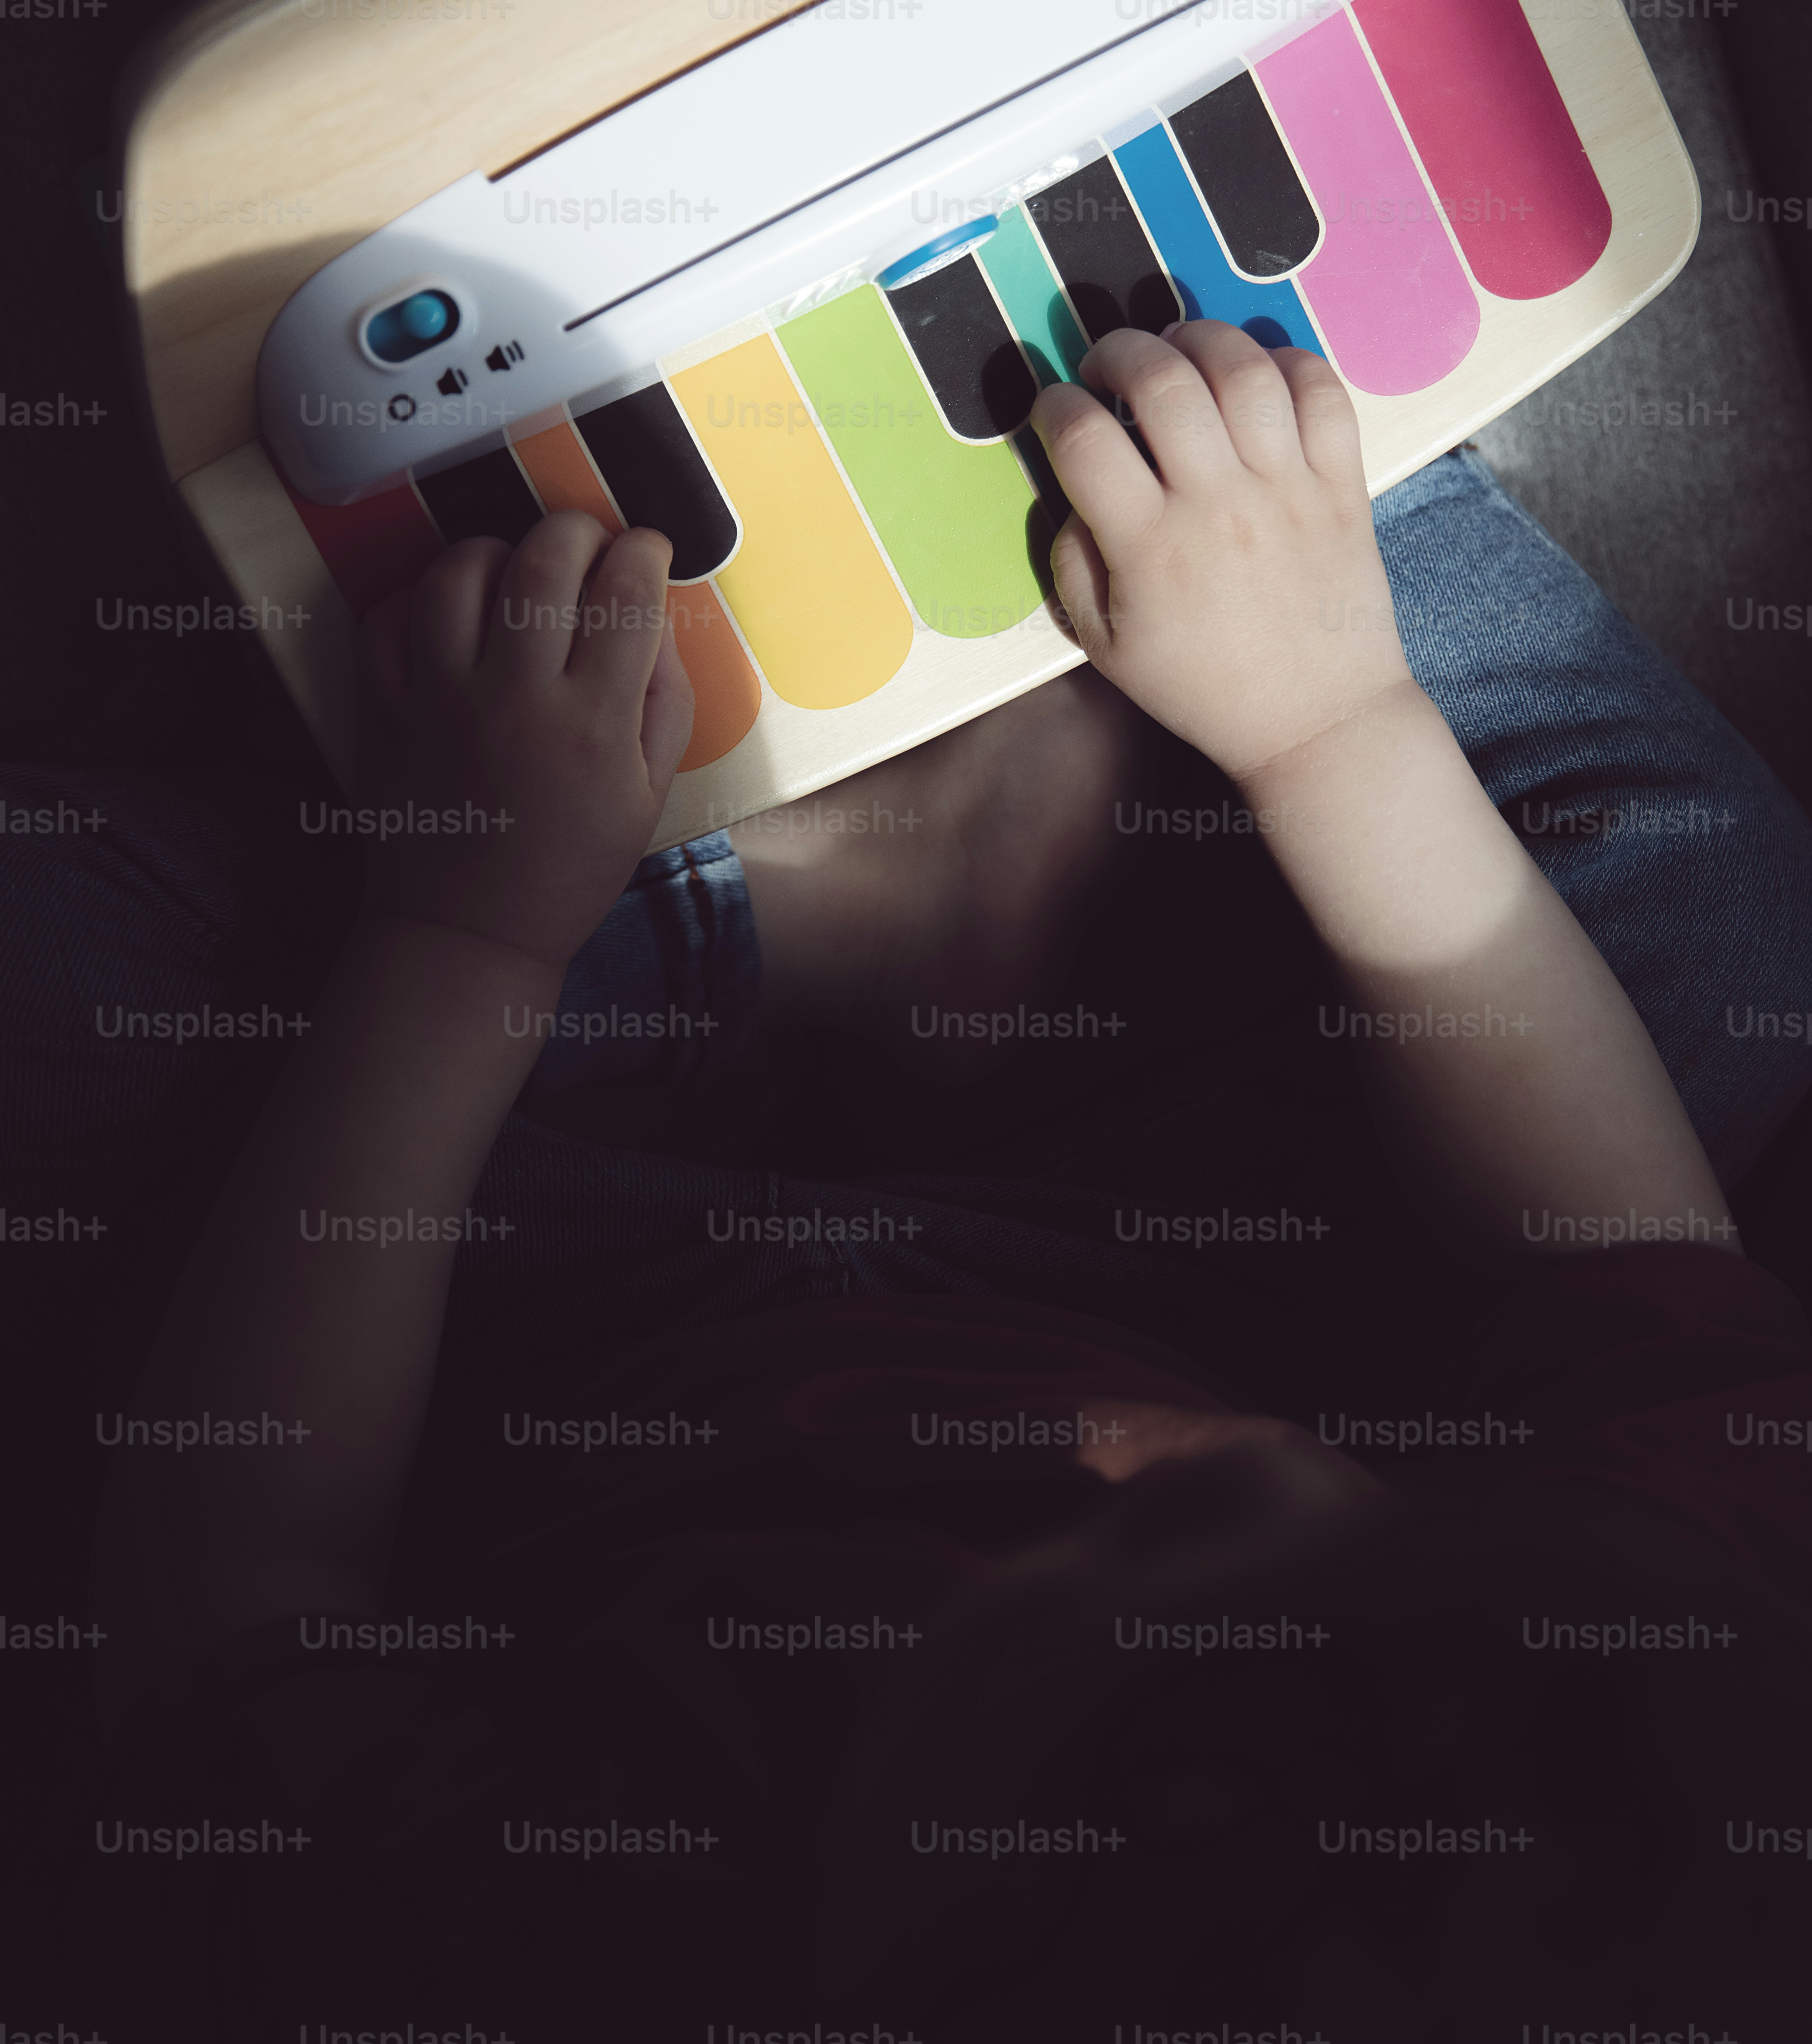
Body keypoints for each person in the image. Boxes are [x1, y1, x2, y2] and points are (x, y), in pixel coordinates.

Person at [70, 322, 1812, 2039]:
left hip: (533, 1315)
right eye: (1313, 1498)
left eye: (1114, 1541)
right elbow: (1612, 1258)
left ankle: (797, 905)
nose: (1104, 1447)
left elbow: (243, 1559)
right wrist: (1330, 721)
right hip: (1236, 1249)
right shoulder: (1669, 1667)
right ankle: (1217, 453)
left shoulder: (544, 1935)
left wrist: (461, 932)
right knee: (1727, 934)